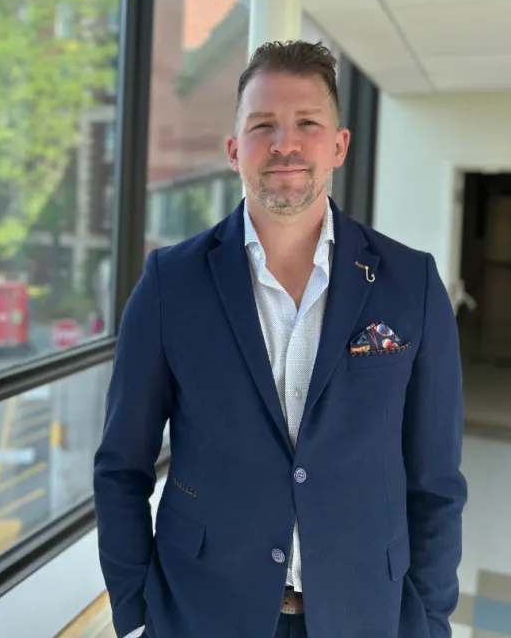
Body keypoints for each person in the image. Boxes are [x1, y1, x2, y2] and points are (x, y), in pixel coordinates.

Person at [93, 40, 467, 638]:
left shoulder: (411, 282)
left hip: (367, 613)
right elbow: (121, 466)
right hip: (203, 611)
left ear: (339, 145)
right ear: (235, 149)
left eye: (307, 123)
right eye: (263, 124)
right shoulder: (171, 283)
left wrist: (429, 618)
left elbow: (436, 481)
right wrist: (136, 611)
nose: (284, 143)